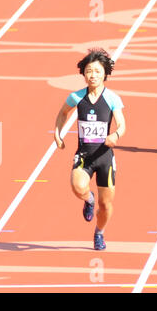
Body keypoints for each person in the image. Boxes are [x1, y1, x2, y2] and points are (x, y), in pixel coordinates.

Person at [54, 48, 126, 250]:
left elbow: (122, 124)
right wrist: (57, 134)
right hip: (84, 155)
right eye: (88, 71)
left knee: (105, 206)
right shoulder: (76, 97)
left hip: (104, 157)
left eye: (96, 71)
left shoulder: (112, 98)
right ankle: (88, 199)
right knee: (77, 186)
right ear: (83, 74)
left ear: (104, 73)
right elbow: (62, 114)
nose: (92, 75)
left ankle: (99, 233)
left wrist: (116, 135)